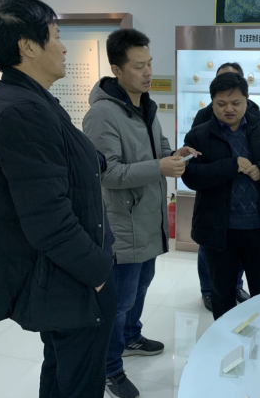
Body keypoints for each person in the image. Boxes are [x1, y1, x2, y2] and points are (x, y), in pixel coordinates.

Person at [0, 0, 116, 398]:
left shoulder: (27, 99)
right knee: (79, 382)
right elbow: (48, 220)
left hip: (67, 278)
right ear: (28, 46)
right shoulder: (21, 110)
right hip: (70, 281)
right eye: (55, 35)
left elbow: (55, 170)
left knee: (61, 373)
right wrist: (99, 273)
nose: (63, 47)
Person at [83, 28, 199, 398]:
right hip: (123, 224)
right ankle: (109, 368)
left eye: (149, 63)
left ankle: (131, 337)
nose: (148, 72)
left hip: (148, 218)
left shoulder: (146, 106)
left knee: (142, 286)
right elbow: (107, 173)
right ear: (117, 70)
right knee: (119, 302)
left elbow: (159, 149)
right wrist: (159, 167)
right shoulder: (102, 115)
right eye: (138, 66)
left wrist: (176, 154)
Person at [182, 73, 260, 320]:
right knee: (222, 295)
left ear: (247, 100)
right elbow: (191, 176)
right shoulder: (198, 135)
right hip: (219, 231)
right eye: (221, 103)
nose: (229, 109)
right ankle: (224, 341)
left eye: (236, 103)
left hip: (259, 229)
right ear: (212, 103)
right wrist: (230, 166)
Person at [191, 62, 257, 311]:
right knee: (209, 250)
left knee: (239, 251)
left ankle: (236, 285)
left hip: (245, 204)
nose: (229, 106)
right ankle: (208, 290)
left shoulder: (255, 115)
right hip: (214, 203)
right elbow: (195, 164)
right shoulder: (204, 118)